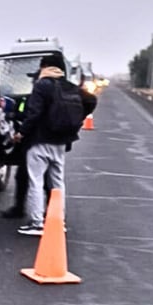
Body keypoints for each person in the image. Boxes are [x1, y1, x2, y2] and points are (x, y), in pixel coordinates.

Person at [14, 54, 97, 235]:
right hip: (61, 142)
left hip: (39, 141)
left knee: (36, 181)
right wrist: (77, 118)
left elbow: (34, 113)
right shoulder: (70, 87)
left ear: (45, 66)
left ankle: (37, 223)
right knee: (57, 183)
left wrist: (21, 133)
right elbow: (92, 100)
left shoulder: (41, 85)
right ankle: (58, 220)